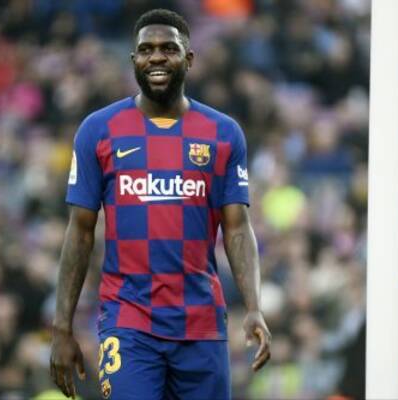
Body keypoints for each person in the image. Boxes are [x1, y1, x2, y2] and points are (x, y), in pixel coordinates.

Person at [50, 9, 271, 400]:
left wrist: (254, 305)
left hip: (201, 323)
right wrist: (62, 327)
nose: (156, 57)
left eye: (169, 48)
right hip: (128, 320)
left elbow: (237, 227)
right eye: (146, 49)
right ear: (133, 59)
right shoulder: (98, 130)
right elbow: (80, 231)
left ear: (189, 58)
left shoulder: (222, 133)